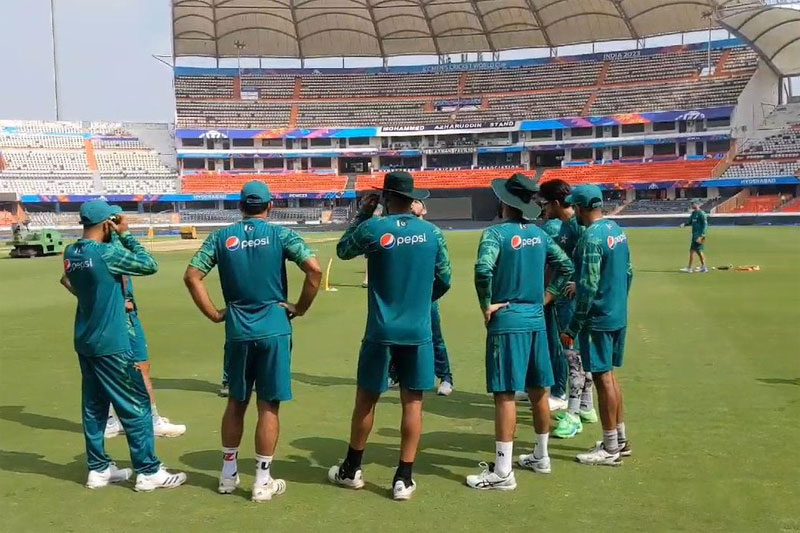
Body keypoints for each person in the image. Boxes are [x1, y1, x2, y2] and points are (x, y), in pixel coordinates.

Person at [183, 181, 322, 503]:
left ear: (240, 206)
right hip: (274, 328)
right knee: (268, 405)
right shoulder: (281, 235)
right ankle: (262, 481)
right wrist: (299, 308)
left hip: (238, 329)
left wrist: (214, 314)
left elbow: (192, 276)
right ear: (270, 206)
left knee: (236, 401)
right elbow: (314, 271)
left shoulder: (221, 237)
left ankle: (228, 475)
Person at [327, 171, 451, 501]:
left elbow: (342, 250)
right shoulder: (432, 232)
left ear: (384, 197)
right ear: (412, 200)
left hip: (381, 330)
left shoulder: (373, 227)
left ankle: (352, 469)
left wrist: (363, 213)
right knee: (413, 402)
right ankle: (403, 478)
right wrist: (420, 301)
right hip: (417, 329)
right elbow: (445, 279)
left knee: (366, 399)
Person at [62, 200, 186, 491]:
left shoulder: (71, 252)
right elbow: (149, 264)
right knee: (136, 404)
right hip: (112, 342)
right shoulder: (108, 253)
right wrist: (126, 234)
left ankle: (99, 469)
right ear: (107, 224)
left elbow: (67, 281)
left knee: (94, 407)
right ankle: (148, 471)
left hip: (86, 338)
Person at [466, 173, 573, 491]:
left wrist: (486, 304)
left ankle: (502, 471)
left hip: (508, 320)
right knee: (540, 391)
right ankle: (541, 456)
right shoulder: (541, 235)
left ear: (504, 201)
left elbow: (483, 269)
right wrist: (548, 296)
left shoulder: (495, 234)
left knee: (505, 396)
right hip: (536, 320)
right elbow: (566, 266)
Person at [560, 185, 633, 466]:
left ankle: (610, 448)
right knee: (611, 377)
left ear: (581, 208)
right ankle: (620, 440)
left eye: (575, 207)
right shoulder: (616, 230)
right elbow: (627, 272)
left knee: (603, 379)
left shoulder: (590, 238)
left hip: (598, 319)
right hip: (617, 313)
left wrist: (573, 327)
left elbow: (589, 285)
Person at [100, 249, 186, 438]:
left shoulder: (88, 252)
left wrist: (97, 303)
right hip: (122, 320)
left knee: (108, 368)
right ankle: (151, 421)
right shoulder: (112, 250)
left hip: (107, 319)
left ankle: (110, 421)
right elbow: (148, 264)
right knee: (140, 366)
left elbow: (68, 279)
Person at [538, 179, 598, 439]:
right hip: (566, 299)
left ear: (553, 203)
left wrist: (579, 282)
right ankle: (586, 405)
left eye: (544, 203)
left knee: (572, 354)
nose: (543, 209)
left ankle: (573, 415)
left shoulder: (578, 227)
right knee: (577, 353)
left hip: (573, 301)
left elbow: (590, 261)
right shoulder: (566, 225)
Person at [389, 199, 454, 396]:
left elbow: (444, 273)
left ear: (424, 209)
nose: (412, 205)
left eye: (417, 202)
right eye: (411, 202)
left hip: (425, 296)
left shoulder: (431, 232)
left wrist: (429, 296)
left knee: (435, 337)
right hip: (400, 296)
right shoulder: (397, 231)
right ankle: (395, 374)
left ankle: (445, 378)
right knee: (396, 336)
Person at [537, 209, 568, 411]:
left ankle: (559, 391)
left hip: (553, 294)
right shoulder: (556, 226)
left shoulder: (553, 227)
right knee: (546, 341)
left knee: (554, 343)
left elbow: (554, 264)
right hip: (549, 292)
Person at [681, 201, 709, 273]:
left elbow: (705, 225)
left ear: (697, 204)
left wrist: (702, 235)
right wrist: (685, 224)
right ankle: (703, 267)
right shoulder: (693, 213)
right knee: (697, 251)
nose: (692, 205)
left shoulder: (701, 213)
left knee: (694, 251)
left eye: (693, 204)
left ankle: (690, 268)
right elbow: (690, 222)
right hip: (694, 235)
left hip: (699, 236)